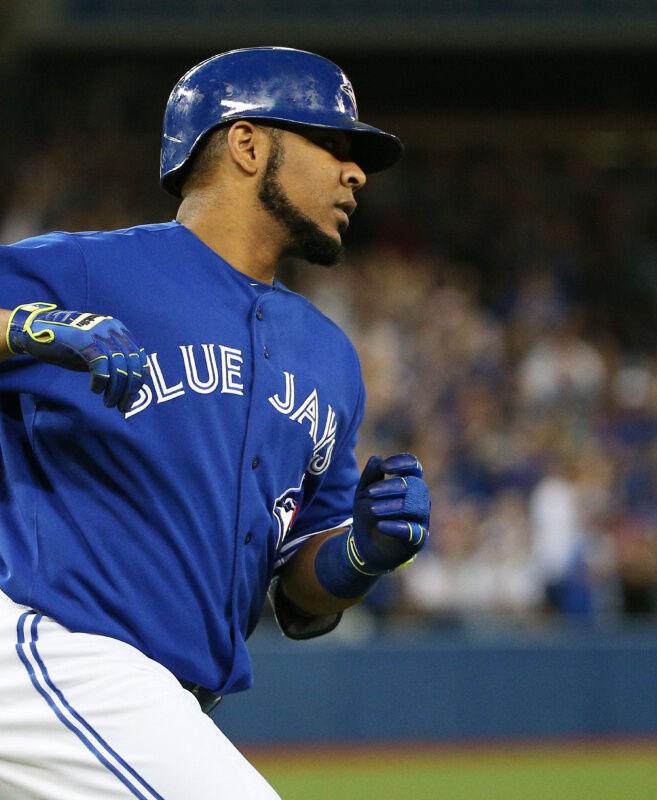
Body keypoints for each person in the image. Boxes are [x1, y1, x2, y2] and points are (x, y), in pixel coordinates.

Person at [0, 47, 430, 799]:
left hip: (166, 708)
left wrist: (360, 553)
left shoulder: (329, 358)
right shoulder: (89, 271)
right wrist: (30, 329)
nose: (355, 172)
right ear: (247, 143)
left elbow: (297, 598)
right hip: (53, 654)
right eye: (333, 144)